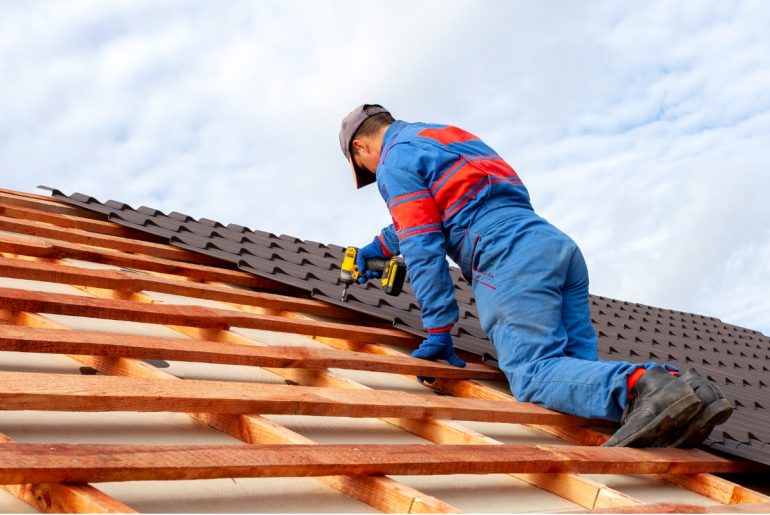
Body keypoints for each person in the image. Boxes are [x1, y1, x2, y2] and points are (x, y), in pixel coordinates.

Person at [338, 104, 732, 447]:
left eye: (366, 169)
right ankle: (690, 388)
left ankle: (649, 386)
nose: (376, 174)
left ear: (361, 148)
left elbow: (424, 248)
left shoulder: (393, 162)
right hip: (550, 244)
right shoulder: (442, 135)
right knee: (575, 380)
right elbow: (442, 209)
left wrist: (439, 331)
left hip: (507, 254)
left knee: (533, 375)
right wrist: (380, 246)